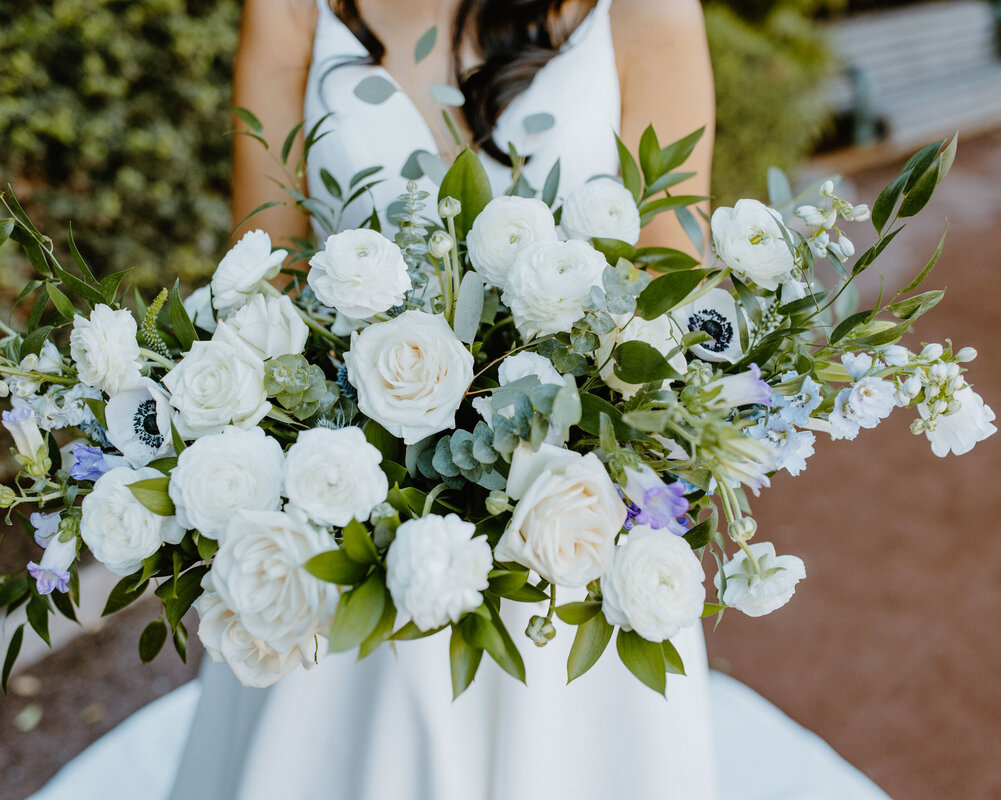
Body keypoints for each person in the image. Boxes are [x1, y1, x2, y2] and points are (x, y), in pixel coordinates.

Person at [169, 1, 718, 798]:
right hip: (342, 520)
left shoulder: (644, 9)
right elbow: (263, 285)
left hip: (564, 538)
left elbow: (671, 297)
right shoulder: (292, 10)